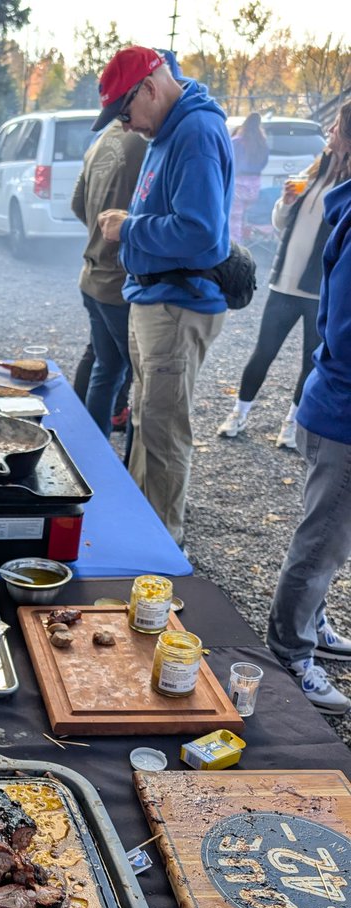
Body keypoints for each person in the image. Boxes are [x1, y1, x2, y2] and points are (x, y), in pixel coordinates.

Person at [95, 46, 233, 549]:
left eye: (125, 112)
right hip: (155, 300)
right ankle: (142, 527)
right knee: (146, 419)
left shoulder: (194, 133)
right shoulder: (167, 128)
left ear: (149, 87)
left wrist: (130, 227)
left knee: (164, 432)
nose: (126, 126)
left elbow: (203, 236)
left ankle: (159, 546)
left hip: (177, 305)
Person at [218, 101, 351, 448]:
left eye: (336, 127)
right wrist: (286, 203)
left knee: (311, 360)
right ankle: (239, 412)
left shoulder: (348, 185)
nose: (331, 132)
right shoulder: (317, 166)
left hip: (319, 290)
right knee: (264, 350)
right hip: (284, 281)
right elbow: (281, 223)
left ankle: (291, 424)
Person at [266, 169, 351, 714]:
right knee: (321, 543)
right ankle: (290, 654)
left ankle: (311, 624)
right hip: (343, 415)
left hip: (333, 409)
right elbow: (344, 334)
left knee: (330, 537)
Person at [71, 120, 146, 439]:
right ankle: (109, 453)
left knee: (106, 367)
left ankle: (89, 445)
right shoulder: (144, 142)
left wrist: (99, 230)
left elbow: (77, 203)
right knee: (139, 376)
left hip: (92, 275)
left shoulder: (101, 140)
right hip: (119, 282)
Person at [229, 111, 269, 242]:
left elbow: (228, 162)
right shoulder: (262, 143)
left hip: (238, 188)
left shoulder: (235, 142)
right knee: (242, 220)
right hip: (254, 188)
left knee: (234, 223)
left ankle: (234, 252)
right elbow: (263, 163)